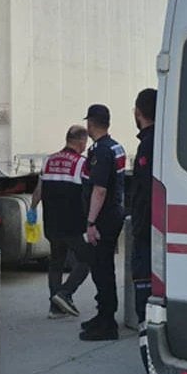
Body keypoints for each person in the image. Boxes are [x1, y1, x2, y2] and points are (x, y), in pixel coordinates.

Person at [120, 89, 182, 374]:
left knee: (146, 311)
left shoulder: (148, 144)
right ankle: (172, 371)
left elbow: (144, 197)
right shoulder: (168, 140)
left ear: (139, 112)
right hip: (167, 239)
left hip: (148, 242)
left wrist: (138, 231)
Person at [29, 125, 92, 319]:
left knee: (56, 262)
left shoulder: (48, 160)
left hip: (52, 224)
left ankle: (55, 308)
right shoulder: (82, 163)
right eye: (85, 143)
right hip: (73, 224)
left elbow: (39, 190)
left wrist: (32, 209)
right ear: (81, 142)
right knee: (88, 258)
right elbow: (88, 194)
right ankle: (65, 293)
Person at [77, 103, 127, 342]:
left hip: (103, 219)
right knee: (103, 268)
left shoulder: (101, 151)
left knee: (102, 270)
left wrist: (90, 222)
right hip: (113, 214)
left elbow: (99, 190)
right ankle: (103, 315)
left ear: (91, 124)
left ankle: (107, 323)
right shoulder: (115, 146)